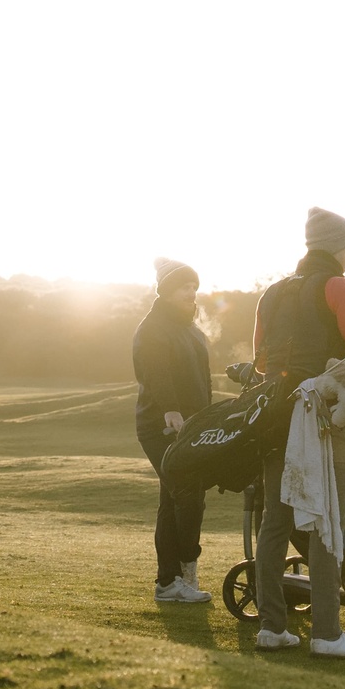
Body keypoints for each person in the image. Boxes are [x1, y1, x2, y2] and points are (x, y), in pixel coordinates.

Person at [251, 207, 345, 659]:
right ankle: (327, 634)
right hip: (321, 417)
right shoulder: (339, 286)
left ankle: (272, 627)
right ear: (334, 246)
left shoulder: (271, 293)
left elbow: (262, 362)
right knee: (326, 516)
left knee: (275, 518)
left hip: (272, 414)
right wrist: (334, 381)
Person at [134, 258, 214, 605]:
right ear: (166, 292)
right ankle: (183, 573)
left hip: (191, 425)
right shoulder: (153, 328)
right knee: (187, 494)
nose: (191, 293)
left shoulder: (189, 328)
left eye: (194, 287)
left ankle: (170, 582)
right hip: (162, 426)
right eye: (185, 287)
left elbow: (201, 378)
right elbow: (156, 373)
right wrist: (171, 409)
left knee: (173, 498)